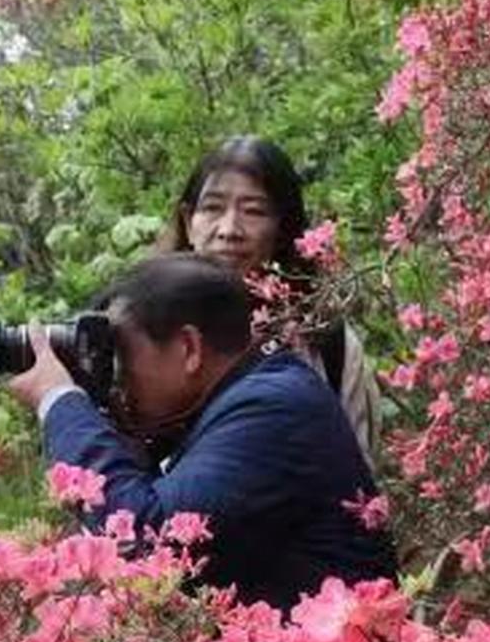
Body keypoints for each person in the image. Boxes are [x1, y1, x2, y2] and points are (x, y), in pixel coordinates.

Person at [6, 253, 396, 610]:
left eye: (123, 354)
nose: (118, 377)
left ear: (189, 347)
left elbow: (146, 538)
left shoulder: (272, 408)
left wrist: (58, 400)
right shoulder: (258, 389)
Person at [159, 136, 381, 460]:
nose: (229, 229)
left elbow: (359, 473)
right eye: (212, 208)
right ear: (188, 222)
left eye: (253, 211)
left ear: (282, 230)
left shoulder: (324, 341)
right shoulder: (149, 331)